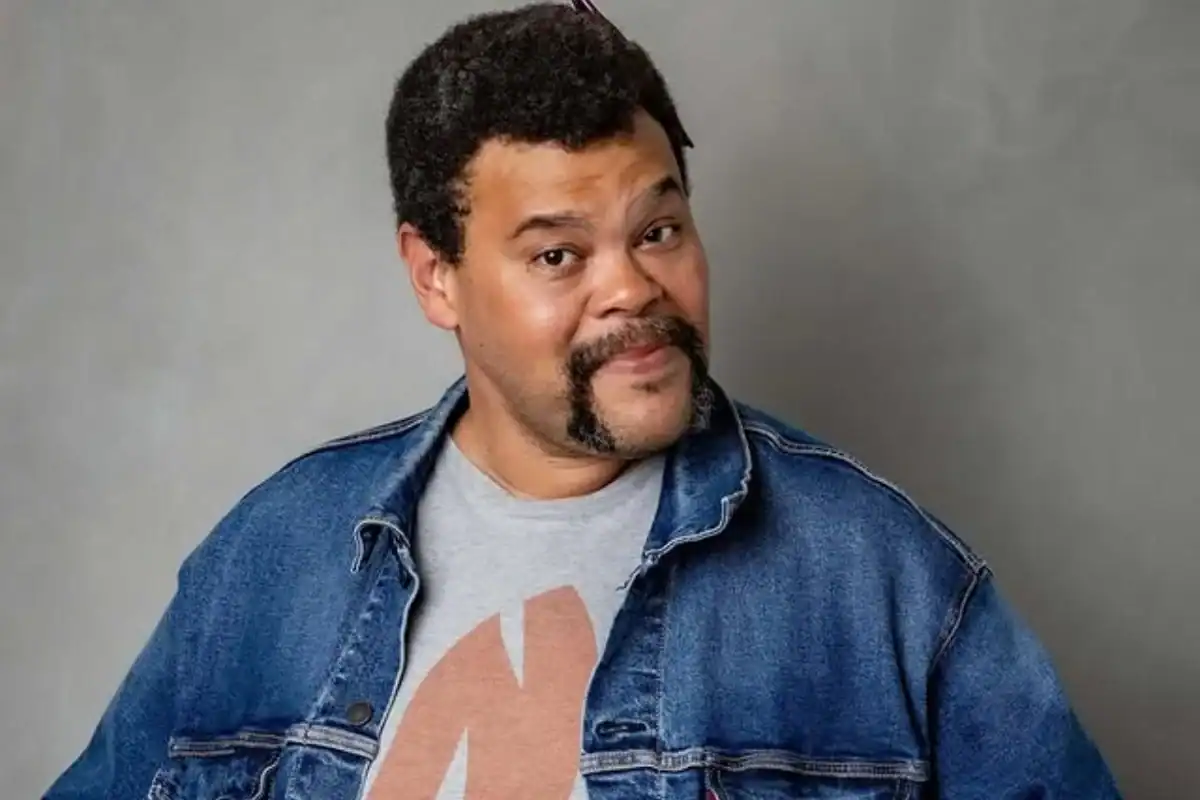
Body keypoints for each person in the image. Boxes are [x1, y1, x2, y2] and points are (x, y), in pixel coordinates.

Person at [46, 2, 1122, 798]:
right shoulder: (270, 559)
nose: (633, 289)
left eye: (658, 230)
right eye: (558, 253)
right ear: (435, 275)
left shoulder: (882, 577)